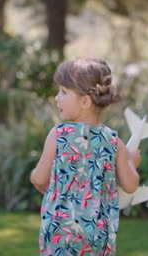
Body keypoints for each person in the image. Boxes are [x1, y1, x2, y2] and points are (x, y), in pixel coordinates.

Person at [30, 58, 141, 256]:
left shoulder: (59, 135)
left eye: (63, 92)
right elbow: (130, 184)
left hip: (61, 232)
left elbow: (39, 178)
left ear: (85, 101)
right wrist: (131, 162)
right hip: (98, 234)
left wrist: (37, 180)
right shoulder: (114, 141)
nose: (57, 97)